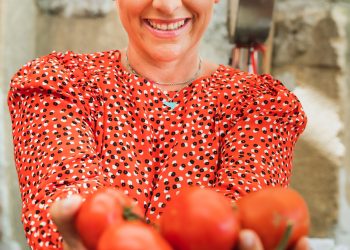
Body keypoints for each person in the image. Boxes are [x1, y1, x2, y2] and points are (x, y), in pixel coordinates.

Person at [8, 0, 309, 249]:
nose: (167, 5)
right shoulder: (59, 83)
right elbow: (66, 211)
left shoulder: (260, 105)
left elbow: (246, 224)